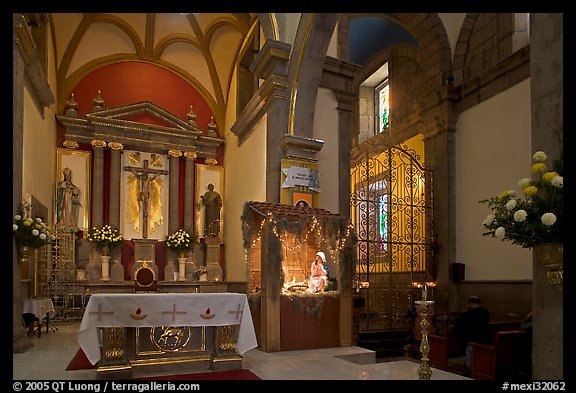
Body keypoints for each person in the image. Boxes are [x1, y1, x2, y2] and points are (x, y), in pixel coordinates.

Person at [453, 295, 491, 372]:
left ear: (470, 303)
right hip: (484, 338)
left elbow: (458, 322)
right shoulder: (485, 312)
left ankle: (469, 368)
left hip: (473, 339)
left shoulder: (471, 313)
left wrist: (468, 310)